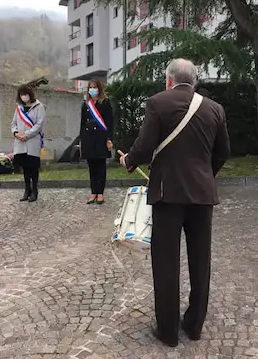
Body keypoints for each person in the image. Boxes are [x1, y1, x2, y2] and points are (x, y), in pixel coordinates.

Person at [119, 58, 230, 347]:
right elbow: (223, 153)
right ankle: (194, 326)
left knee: (166, 263)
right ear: (195, 81)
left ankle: (168, 331)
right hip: (203, 196)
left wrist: (128, 160)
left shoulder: (157, 102)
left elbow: (144, 147)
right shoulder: (215, 109)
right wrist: (206, 176)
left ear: (169, 80)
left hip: (168, 195)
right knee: (200, 260)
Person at [79, 78, 114, 205]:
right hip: (88, 138)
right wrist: (81, 139)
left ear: (99, 88)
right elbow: (82, 124)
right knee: (92, 167)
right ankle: (93, 192)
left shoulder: (105, 102)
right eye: (90, 87)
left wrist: (109, 139)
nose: (92, 89)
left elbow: (110, 122)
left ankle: (100, 193)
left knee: (100, 166)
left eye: (95, 87)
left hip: (100, 138)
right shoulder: (86, 104)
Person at [10, 84, 46, 202]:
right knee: (25, 168)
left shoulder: (38, 106)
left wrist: (27, 134)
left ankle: (34, 190)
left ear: (30, 94)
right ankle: (27, 190)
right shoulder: (19, 108)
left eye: (25, 94)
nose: (24, 96)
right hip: (20, 142)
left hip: (32, 141)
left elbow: (39, 124)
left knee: (33, 168)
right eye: (21, 95)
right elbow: (13, 123)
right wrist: (16, 133)